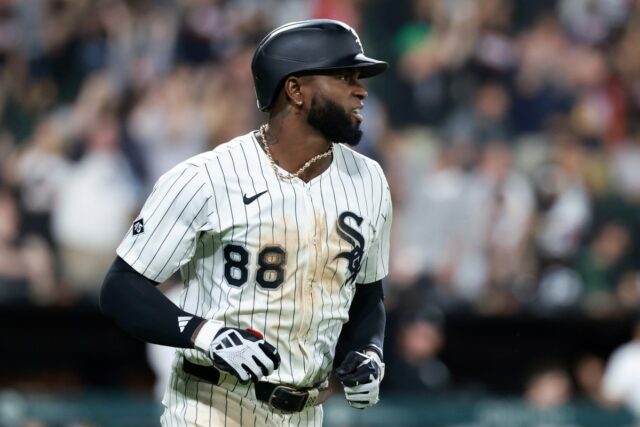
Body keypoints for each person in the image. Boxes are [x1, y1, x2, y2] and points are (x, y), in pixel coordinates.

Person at [100, 19, 392, 426]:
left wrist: (368, 351)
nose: (360, 90)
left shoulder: (370, 181)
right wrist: (206, 334)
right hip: (211, 405)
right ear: (295, 90)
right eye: (345, 76)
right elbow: (121, 288)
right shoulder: (206, 177)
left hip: (306, 413)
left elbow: (368, 293)